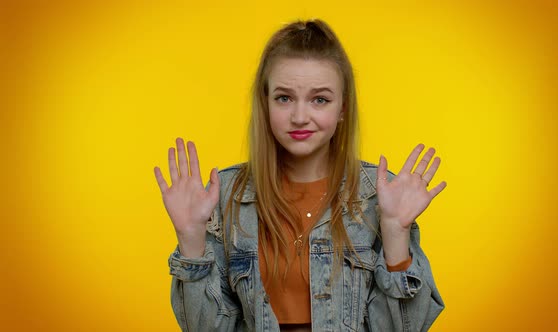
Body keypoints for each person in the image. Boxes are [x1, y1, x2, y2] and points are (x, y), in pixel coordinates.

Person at [154, 18, 447, 332]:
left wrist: (394, 231)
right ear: (265, 104)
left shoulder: (379, 195)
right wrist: (190, 241)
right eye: (284, 98)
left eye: (319, 99)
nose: (299, 116)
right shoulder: (225, 195)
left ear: (343, 109)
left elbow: (403, 329)